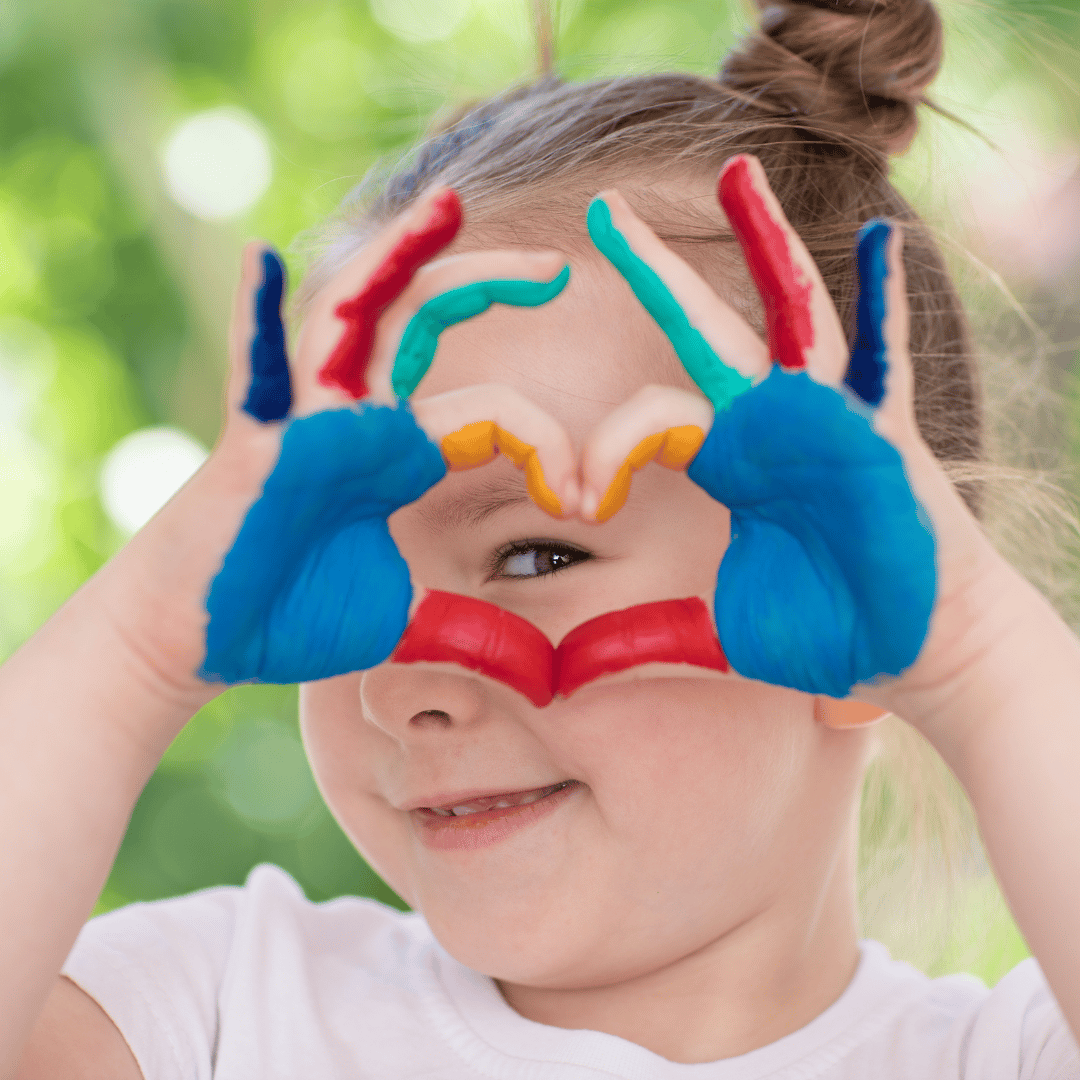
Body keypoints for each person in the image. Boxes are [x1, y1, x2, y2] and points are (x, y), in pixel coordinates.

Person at [6, 0, 1080, 1076]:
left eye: (534, 556)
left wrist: (974, 652)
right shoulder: (215, 1006)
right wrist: (140, 649)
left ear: (859, 603)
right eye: (332, 566)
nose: (399, 682)